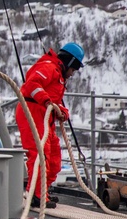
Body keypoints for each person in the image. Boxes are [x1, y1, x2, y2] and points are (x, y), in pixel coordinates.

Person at [15, 42, 84, 209]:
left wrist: (61, 111)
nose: (72, 74)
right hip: (33, 113)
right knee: (40, 155)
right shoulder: (49, 68)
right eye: (73, 69)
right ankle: (37, 195)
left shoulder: (57, 74)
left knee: (53, 158)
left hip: (45, 118)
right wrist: (47, 102)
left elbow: (54, 100)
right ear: (69, 62)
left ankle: (42, 191)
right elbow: (31, 85)